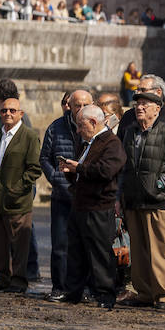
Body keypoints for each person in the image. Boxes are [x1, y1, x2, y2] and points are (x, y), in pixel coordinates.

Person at [117, 73, 165, 306]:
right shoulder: (131, 132)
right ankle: (143, 293)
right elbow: (124, 167)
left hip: (157, 199)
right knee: (139, 249)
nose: (139, 108)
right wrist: (119, 195)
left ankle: (164, 295)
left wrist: (160, 183)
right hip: (133, 199)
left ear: (157, 108)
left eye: (144, 104)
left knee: (160, 248)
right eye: (137, 103)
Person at [53, 104, 125, 309]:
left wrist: (79, 168)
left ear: (93, 122)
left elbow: (106, 171)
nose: (77, 130)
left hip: (99, 205)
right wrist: (69, 169)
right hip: (80, 204)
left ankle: (105, 294)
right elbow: (82, 171)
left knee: (100, 252)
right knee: (76, 250)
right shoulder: (86, 142)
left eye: (80, 126)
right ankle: (73, 291)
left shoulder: (112, 143)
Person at [0, 96, 41, 293]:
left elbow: (34, 169)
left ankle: (18, 281)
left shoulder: (29, 136)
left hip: (18, 201)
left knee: (19, 244)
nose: (7, 113)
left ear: (21, 114)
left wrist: (17, 188)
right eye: (4, 110)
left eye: (12, 111)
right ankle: (3, 278)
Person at [41, 90, 92, 301]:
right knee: (60, 245)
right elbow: (44, 157)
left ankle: (86, 289)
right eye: (77, 105)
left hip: (87, 196)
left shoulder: (96, 127)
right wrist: (55, 177)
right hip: (62, 194)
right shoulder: (55, 127)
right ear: (69, 106)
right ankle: (59, 287)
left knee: (86, 244)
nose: (81, 109)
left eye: (85, 105)